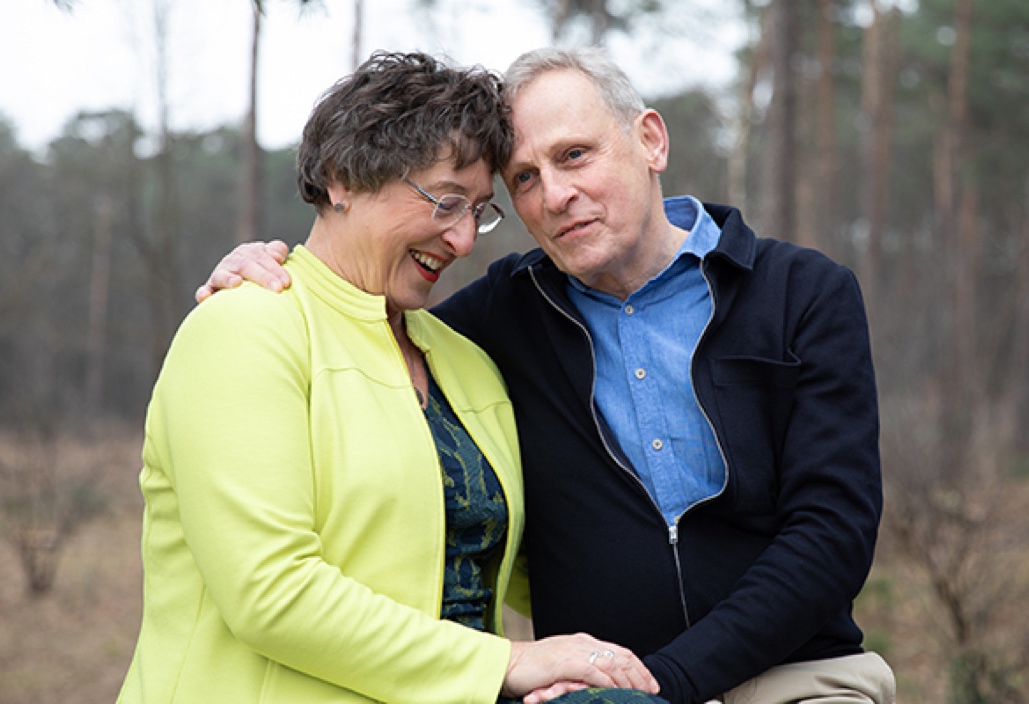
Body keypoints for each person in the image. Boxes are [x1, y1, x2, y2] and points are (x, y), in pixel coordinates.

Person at [197, 47, 896, 704]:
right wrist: (266, 263)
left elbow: (831, 532)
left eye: (574, 156)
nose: (555, 195)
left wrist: (664, 684)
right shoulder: (500, 318)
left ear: (650, 141)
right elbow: (354, 306)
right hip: (591, 684)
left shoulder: (799, 292)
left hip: (797, 676)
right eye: (524, 179)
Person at [118, 51, 664, 704]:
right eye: (445, 202)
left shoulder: (463, 360)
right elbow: (271, 593)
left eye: (480, 211)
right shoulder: (245, 330)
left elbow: (539, 566)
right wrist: (506, 662)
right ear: (342, 178)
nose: (463, 240)